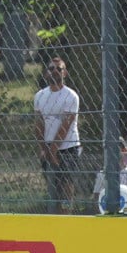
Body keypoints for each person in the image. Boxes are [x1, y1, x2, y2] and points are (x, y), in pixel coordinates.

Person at [34, 56, 81, 213]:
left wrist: (53, 150)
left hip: (68, 147)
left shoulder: (71, 96)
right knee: (52, 184)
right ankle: (52, 213)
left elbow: (66, 125)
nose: (54, 71)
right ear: (46, 73)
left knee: (66, 185)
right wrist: (43, 149)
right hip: (47, 147)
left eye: (58, 69)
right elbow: (39, 123)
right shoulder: (40, 96)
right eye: (51, 68)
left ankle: (66, 215)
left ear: (65, 73)